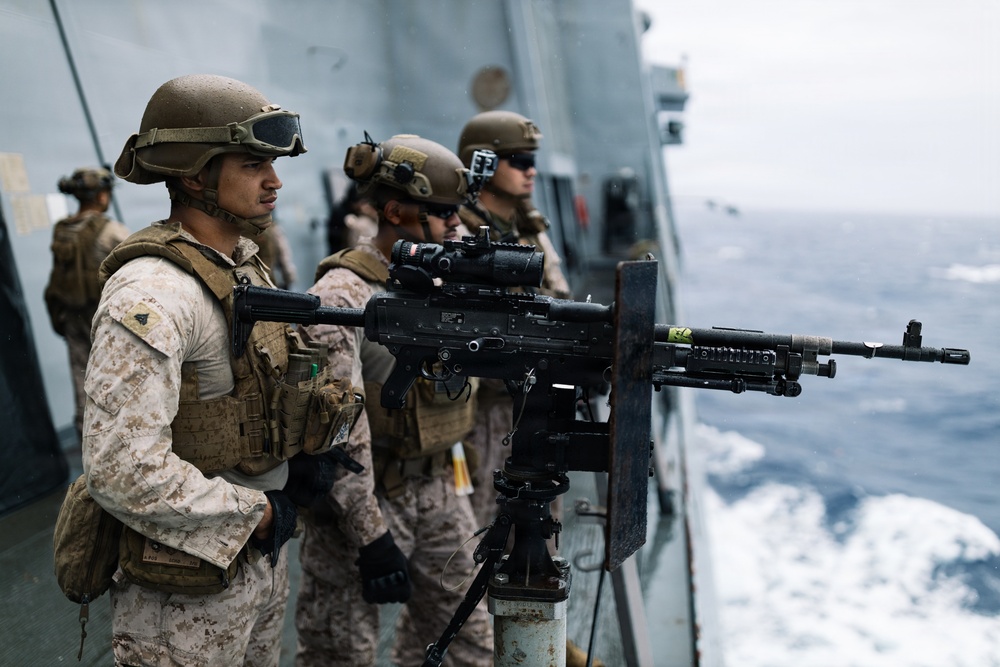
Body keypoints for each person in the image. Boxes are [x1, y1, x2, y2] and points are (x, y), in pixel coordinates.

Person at [84, 74, 357, 666]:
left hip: (257, 565)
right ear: (193, 174)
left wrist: (303, 453)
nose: (275, 180)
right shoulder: (154, 294)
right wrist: (257, 514)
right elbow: (121, 467)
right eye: (254, 163)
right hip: (185, 594)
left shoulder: (241, 267)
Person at [295, 134, 493, 667]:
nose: (457, 223)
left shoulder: (438, 281)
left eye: (458, 212)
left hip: (440, 491)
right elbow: (335, 431)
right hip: (363, 504)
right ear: (396, 211)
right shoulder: (342, 297)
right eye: (443, 212)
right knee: (342, 653)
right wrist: (370, 536)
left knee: (471, 642)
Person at [456, 110, 572, 528]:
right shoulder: (460, 235)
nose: (531, 171)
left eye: (533, 161)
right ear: (483, 162)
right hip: (487, 411)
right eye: (519, 161)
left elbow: (559, 294)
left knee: (540, 519)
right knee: (485, 522)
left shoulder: (527, 226)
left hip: (536, 399)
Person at [44, 166, 129, 442]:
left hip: (72, 317)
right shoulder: (111, 230)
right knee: (122, 380)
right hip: (105, 319)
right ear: (101, 196)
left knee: (81, 381)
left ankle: (88, 439)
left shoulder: (62, 230)